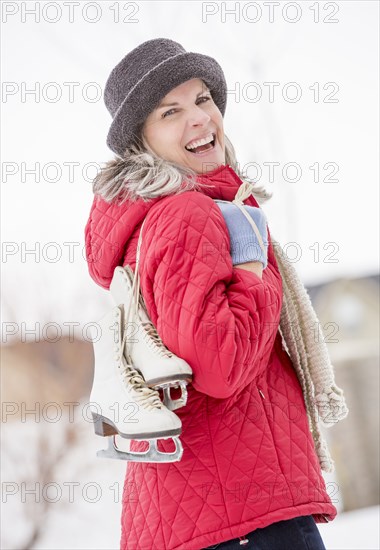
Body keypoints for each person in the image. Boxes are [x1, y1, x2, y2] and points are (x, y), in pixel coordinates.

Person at [85, 38, 348, 550]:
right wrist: (253, 269)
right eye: (171, 112)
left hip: (211, 512)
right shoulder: (188, 214)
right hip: (241, 515)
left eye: (203, 99)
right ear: (142, 140)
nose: (200, 120)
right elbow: (219, 364)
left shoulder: (178, 214)